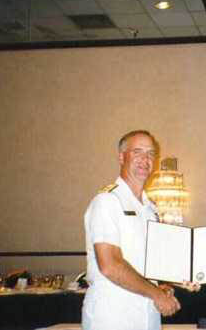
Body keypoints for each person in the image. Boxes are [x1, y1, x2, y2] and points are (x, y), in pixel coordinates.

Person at [82, 130, 182, 330]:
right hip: (112, 317)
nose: (145, 159)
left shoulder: (149, 208)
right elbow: (110, 265)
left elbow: (145, 266)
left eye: (151, 153)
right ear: (121, 157)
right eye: (137, 152)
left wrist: (160, 288)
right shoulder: (107, 202)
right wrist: (156, 294)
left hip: (148, 316)